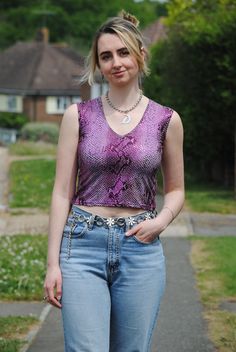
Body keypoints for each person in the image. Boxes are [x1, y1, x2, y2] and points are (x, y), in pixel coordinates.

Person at [43, 10, 184, 352]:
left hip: (141, 249)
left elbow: (176, 189)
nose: (115, 62)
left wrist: (161, 221)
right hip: (81, 246)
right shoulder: (78, 116)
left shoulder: (167, 120)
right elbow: (62, 192)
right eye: (106, 56)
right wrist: (52, 264)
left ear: (140, 55)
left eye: (123, 52)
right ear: (98, 64)